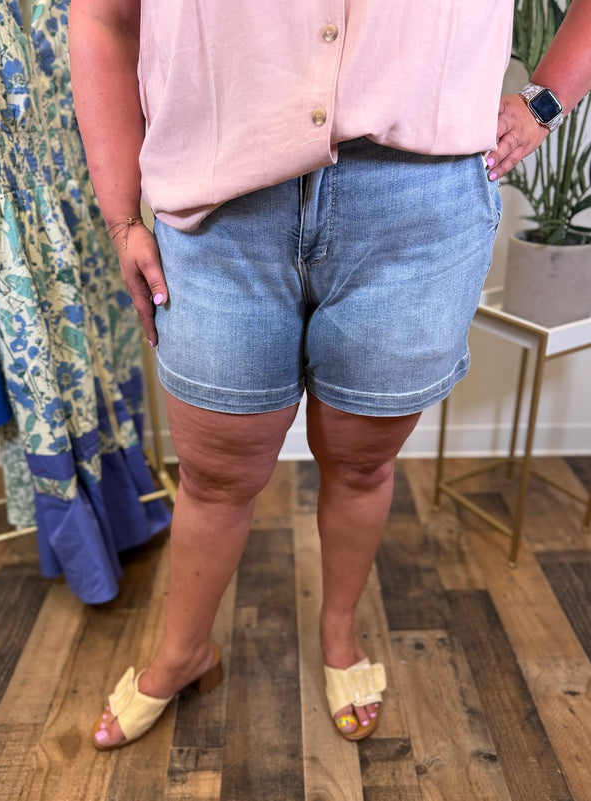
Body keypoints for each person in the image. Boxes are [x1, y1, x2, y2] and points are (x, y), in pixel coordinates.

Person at [68, 0, 591, 749]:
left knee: (362, 462)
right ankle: (182, 650)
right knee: (213, 475)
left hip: (417, 206)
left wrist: (544, 101)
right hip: (216, 205)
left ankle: (338, 632)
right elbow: (103, 18)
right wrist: (121, 217)